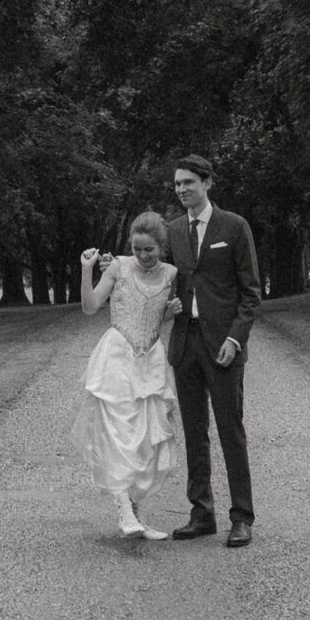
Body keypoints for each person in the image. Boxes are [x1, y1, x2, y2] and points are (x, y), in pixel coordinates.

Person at [70, 211, 182, 540]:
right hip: (117, 359)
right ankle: (123, 510)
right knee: (119, 434)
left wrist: (169, 315)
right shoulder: (117, 267)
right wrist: (86, 270)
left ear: (162, 247)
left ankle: (135, 513)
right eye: (137, 249)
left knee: (148, 441)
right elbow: (90, 307)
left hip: (151, 362)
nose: (143, 256)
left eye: (149, 250)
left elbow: (154, 319)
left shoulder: (172, 274)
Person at [167, 154, 260, 548]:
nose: (182, 190)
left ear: (207, 183)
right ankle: (201, 512)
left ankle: (241, 517)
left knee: (230, 431)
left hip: (223, 346)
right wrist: (170, 303)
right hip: (185, 344)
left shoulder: (234, 227)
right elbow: (164, 281)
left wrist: (235, 338)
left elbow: (252, 294)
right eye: (177, 184)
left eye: (189, 182)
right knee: (193, 432)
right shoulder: (171, 231)